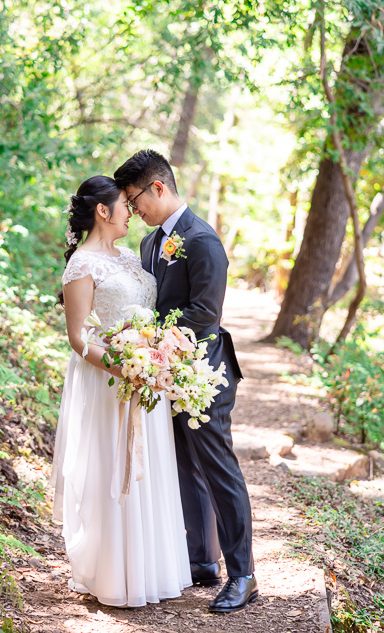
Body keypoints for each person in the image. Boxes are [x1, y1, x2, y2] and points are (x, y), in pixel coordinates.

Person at [114, 151, 258, 614]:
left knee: (218, 470)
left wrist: (150, 341)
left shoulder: (202, 240)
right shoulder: (149, 244)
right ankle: (202, 561)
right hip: (162, 371)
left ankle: (244, 575)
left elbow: (203, 315)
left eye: (135, 200)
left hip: (204, 372)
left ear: (158, 188)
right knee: (183, 467)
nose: (132, 211)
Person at [50, 175, 191, 608]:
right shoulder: (81, 265)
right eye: (124, 204)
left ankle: (150, 568)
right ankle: (114, 575)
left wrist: (156, 359)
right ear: (103, 212)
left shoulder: (132, 256)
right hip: (110, 379)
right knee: (114, 470)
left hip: (146, 377)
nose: (132, 210)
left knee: (149, 466)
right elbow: (78, 338)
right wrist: (126, 368)